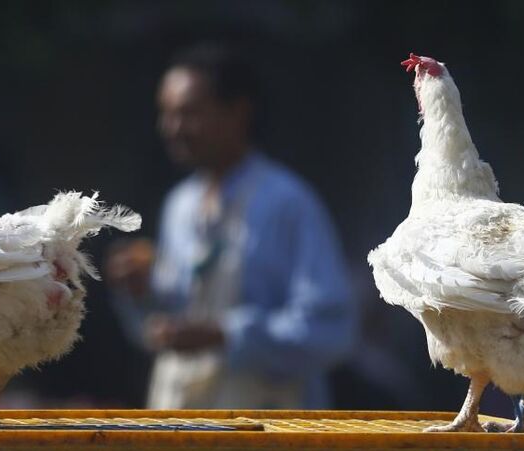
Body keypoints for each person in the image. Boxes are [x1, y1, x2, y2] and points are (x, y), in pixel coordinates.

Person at [107, 43, 357, 410]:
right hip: (184, 425)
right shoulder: (179, 206)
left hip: (269, 434)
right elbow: (162, 322)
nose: (173, 128)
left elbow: (330, 329)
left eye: (189, 113)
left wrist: (226, 335)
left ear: (238, 112)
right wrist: (139, 293)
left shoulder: (287, 203)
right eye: (167, 113)